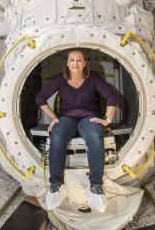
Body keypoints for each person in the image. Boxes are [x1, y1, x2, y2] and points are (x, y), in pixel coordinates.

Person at [35, 49, 116, 212]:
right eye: (72, 60)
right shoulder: (60, 80)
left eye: (79, 60)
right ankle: (56, 185)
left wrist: (106, 119)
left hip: (88, 118)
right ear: (67, 63)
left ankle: (96, 186)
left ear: (85, 63)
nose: (75, 63)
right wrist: (53, 117)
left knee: (95, 136)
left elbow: (111, 97)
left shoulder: (92, 78)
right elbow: (40, 98)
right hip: (67, 118)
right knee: (57, 136)